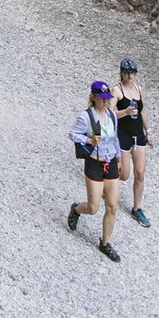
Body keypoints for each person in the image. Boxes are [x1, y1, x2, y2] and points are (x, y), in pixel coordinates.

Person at [68, 81, 123, 261]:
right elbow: (72, 134)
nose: (105, 102)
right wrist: (89, 140)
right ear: (94, 97)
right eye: (102, 98)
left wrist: (119, 158)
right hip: (95, 164)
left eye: (107, 98)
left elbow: (115, 138)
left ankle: (105, 243)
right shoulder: (86, 117)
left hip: (111, 162)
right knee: (93, 208)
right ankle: (76, 210)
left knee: (112, 205)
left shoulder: (112, 116)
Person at [115, 59, 153, 227]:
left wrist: (148, 131)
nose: (129, 75)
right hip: (122, 134)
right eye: (126, 72)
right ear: (122, 73)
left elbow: (143, 110)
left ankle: (137, 208)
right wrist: (126, 112)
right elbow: (110, 114)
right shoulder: (116, 90)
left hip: (138, 135)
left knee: (140, 173)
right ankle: (106, 180)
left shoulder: (138, 89)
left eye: (132, 73)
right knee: (124, 174)